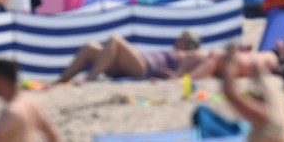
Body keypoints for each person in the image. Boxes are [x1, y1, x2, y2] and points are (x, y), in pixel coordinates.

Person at [56, 31, 206, 83]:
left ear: (188, 43)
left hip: (144, 68)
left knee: (115, 40)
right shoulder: (177, 52)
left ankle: (91, 77)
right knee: (89, 47)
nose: (177, 40)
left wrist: (176, 77)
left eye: (181, 38)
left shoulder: (188, 55)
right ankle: (62, 81)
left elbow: (191, 70)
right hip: (135, 64)